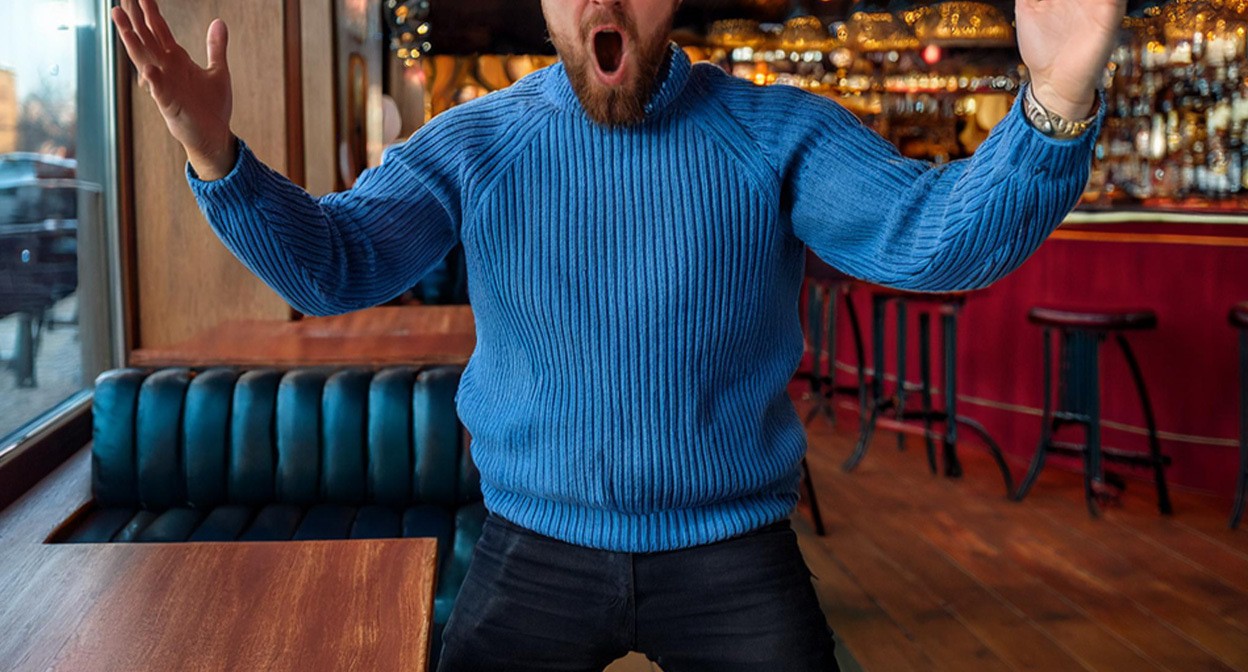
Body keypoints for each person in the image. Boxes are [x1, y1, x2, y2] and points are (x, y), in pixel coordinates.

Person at [110, 0, 1124, 669]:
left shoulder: (775, 134)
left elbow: (936, 237)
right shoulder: (478, 142)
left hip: (732, 551)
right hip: (531, 547)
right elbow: (335, 266)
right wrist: (215, 155)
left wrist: (1057, 99)